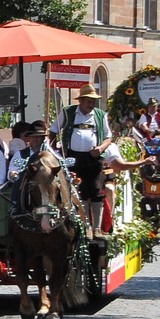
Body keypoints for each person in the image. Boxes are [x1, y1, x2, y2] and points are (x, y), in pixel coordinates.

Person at [57, 85, 113, 230]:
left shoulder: (100, 115)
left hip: (94, 159)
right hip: (73, 158)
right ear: (80, 101)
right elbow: (53, 130)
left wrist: (101, 148)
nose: (91, 104)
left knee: (96, 191)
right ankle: (84, 226)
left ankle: (96, 228)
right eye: (89, 101)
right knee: (78, 191)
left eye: (93, 101)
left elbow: (108, 137)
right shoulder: (68, 112)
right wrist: (55, 151)